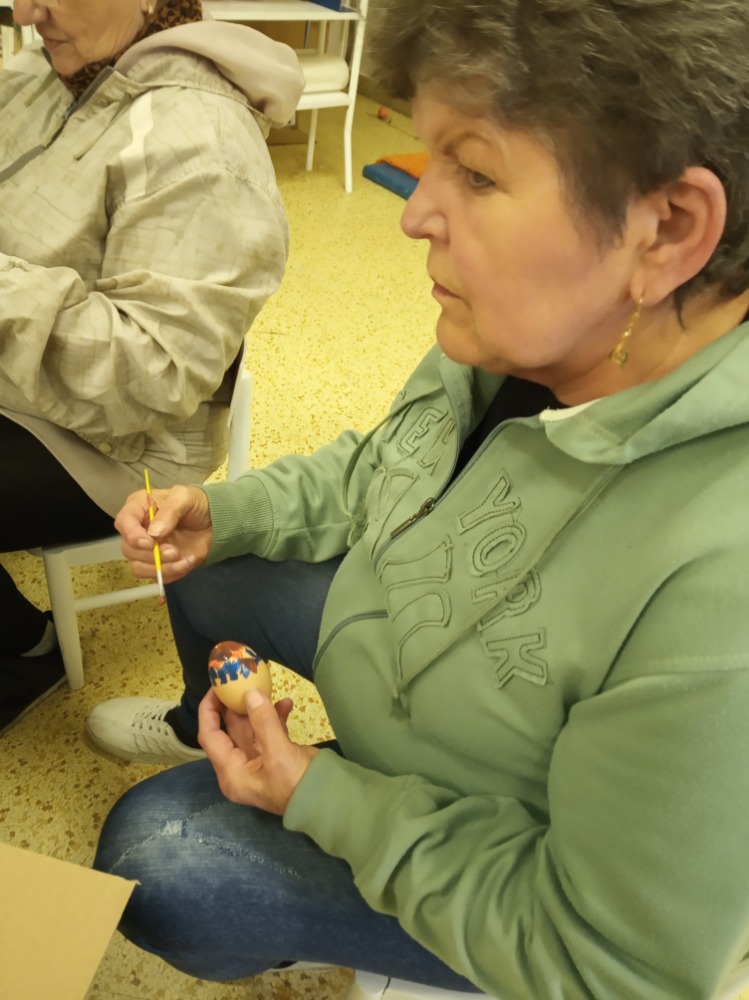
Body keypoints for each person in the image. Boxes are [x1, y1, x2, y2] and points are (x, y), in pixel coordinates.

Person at [91, 1, 749, 996]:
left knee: (159, 854)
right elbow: (386, 466)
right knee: (212, 565)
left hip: (503, 851)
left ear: (667, 228)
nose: (411, 213)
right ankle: (209, 721)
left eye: (474, 173)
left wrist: (325, 797)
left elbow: (614, 964)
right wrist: (228, 512)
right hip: (418, 670)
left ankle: (348, 921)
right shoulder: (534, 335)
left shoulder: (719, 575)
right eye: (428, 156)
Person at [0, 0, 304, 734]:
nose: (27, 10)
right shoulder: (49, 72)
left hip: (112, 446)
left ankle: (20, 653)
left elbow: (151, 376)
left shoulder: (202, 139)